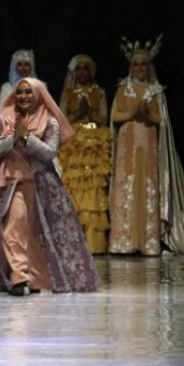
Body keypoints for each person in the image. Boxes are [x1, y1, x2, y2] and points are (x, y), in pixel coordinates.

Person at [0, 78, 98, 295]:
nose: (23, 96)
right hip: (11, 180)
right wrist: (13, 137)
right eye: (20, 92)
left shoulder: (49, 121)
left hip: (40, 182)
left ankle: (34, 278)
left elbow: (49, 153)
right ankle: (19, 277)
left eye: (28, 92)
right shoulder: (6, 118)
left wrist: (27, 137)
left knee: (34, 231)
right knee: (15, 221)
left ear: (38, 94)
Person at [108, 36, 164, 255]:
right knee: (127, 184)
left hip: (148, 140)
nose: (139, 68)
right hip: (128, 142)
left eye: (143, 64)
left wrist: (148, 115)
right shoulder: (124, 88)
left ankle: (148, 241)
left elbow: (161, 120)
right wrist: (133, 113)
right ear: (130, 67)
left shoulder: (155, 90)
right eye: (136, 64)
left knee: (147, 184)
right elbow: (114, 115)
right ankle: (124, 241)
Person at [58, 54, 112, 253]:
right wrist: (78, 113)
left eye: (85, 68)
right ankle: (72, 241)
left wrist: (90, 111)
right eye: (79, 68)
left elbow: (104, 119)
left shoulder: (99, 92)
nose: (82, 72)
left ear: (91, 71)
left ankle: (93, 241)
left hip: (93, 142)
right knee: (73, 186)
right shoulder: (68, 93)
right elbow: (61, 119)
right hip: (74, 142)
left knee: (93, 187)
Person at [0, 49, 46, 203]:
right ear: (14, 66)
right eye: (19, 64)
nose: (23, 68)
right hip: (12, 137)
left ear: (32, 66)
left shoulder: (41, 86)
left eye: (27, 64)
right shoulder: (7, 88)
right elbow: (1, 117)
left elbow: (45, 114)